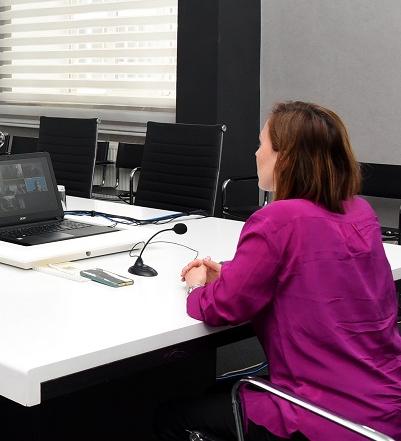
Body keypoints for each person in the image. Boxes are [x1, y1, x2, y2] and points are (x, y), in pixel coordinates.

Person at [154, 101, 401, 440]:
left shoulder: (276, 220)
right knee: (215, 394)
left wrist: (197, 287)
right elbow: (318, 273)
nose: (256, 154)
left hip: (326, 414)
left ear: (285, 158)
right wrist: (230, 272)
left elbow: (222, 307)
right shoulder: (360, 211)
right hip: (386, 405)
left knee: (169, 417)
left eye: (262, 145)